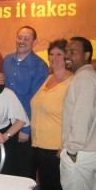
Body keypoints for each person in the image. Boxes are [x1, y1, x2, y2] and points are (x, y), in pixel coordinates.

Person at [2, 26, 49, 179]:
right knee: (7, 167)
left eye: (26, 39)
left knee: (24, 170)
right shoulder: (7, 60)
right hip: (7, 123)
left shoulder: (40, 66)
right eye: (19, 37)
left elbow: (36, 100)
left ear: (34, 42)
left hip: (25, 125)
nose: (22, 41)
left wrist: (26, 128)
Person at [30, 39, 73, 190]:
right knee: (46, 185)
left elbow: (75, 117)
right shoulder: (49, 78)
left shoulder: (72, 82)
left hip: (57, 149)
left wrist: (64, 145)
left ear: (67, 57)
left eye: (59, 54)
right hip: (39, 146)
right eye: (51, 54)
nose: (54, 57)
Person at [60, 37, 96, 190]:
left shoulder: (85, 77)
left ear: (86, 55)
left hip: (79, 153)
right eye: (66, 51)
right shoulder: (85, 76)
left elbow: (82, 116)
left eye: (73, 52)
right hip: (85, 151)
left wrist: (72, 151)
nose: (67, 55)